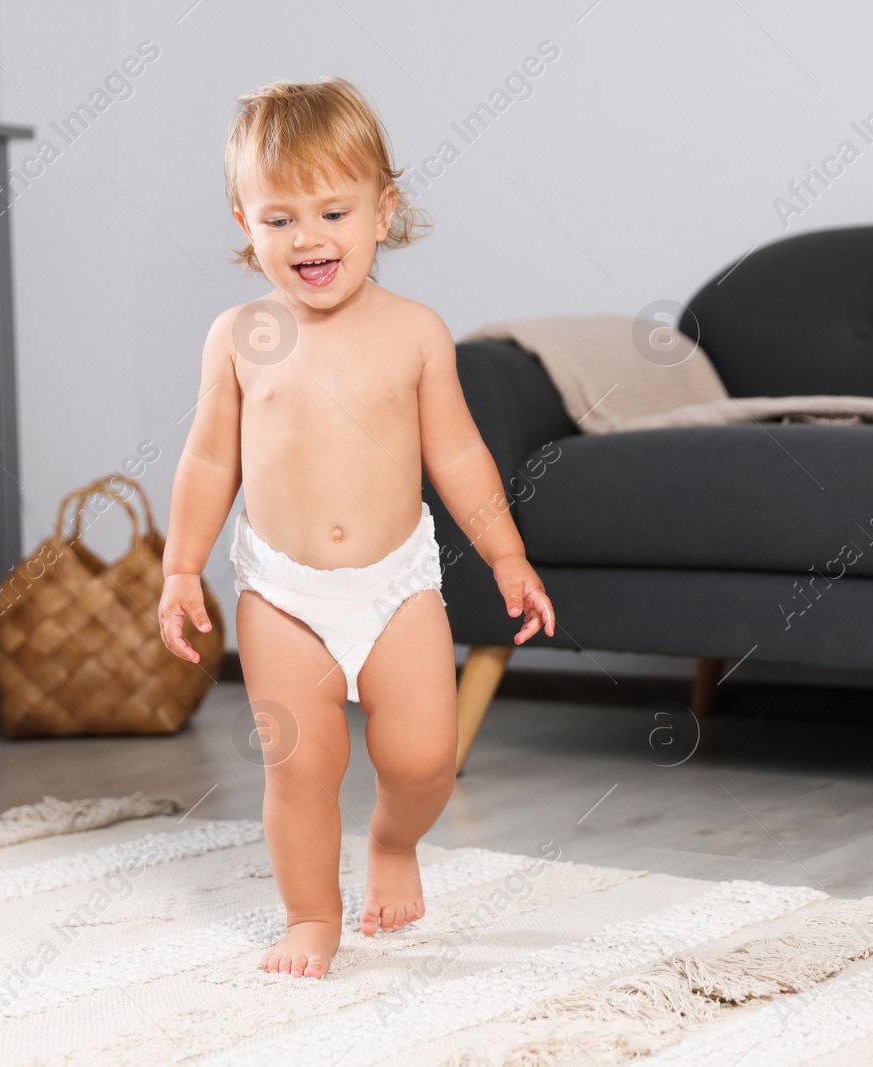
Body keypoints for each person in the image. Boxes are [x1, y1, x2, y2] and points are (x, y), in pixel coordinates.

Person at [157, 76, 556, 980]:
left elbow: (456, 455)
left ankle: (393, 839)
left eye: (334, 211)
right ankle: (310, 916)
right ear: (243, 223)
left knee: (422, 758)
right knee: (301, 768)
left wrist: (505, 552)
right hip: (282, 591)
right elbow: (210, 461)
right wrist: (183, 567)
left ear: (385, 211)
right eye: (281, 218)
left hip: (397, 583)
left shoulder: (416, 333)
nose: (310, 239)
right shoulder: (240, 335)